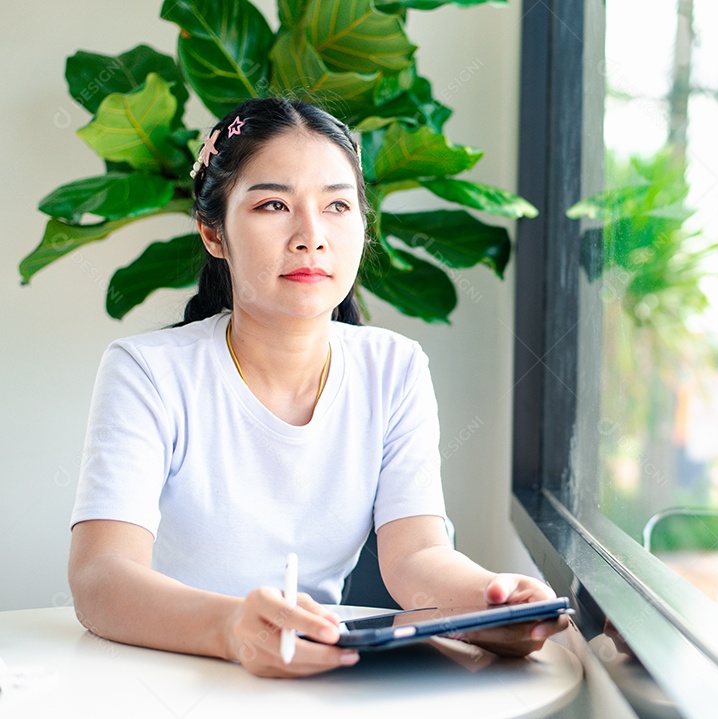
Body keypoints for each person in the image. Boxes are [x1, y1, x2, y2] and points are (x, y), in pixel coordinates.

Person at [67, 98, 568, 678]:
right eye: (273, 205)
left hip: (316, 678)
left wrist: (491, 602)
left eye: (337, 205)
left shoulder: (394, 368)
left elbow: (416, 555)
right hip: (167, 676)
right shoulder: (148, 371)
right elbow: (101, 578)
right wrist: (232, 628)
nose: (311, 236)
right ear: (212, 231)